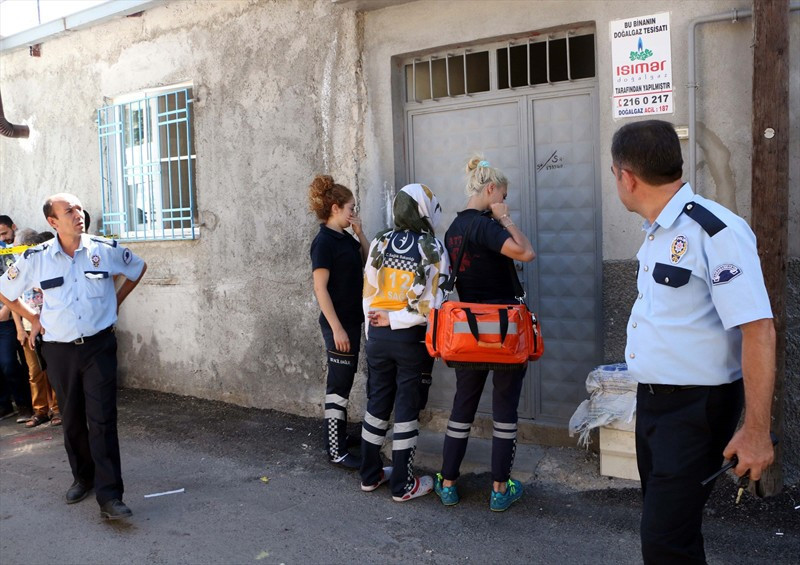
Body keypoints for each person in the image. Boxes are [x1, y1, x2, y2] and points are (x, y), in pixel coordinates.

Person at [610, 120, 775, 564]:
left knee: (664, 542)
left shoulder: (715, 230)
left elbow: (758, 329)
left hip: (695, 411)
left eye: (614, 175)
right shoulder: (657, 231)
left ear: (627, 177)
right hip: (655, 406)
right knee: (673, 533)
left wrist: (757, 431)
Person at [0, 193, 147, 521]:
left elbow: (137, 268)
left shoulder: (103, 249)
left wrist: (116, 302)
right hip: (59, 349)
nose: (78, 214)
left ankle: (111, 496)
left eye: (79, 208)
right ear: (53, 222)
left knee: (103, 419)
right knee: (72, 418)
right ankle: (84, 477)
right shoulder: (37, 257)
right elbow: (5, 290)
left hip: (99, 347)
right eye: (68, 211)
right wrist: (33, 318)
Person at [434, 157, 535, 512]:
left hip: (468, 332)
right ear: (490, 190)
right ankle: (499, 489)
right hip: (503, 331)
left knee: (463, 406)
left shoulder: (453, 230)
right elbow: (527, 252)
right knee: (504, 411)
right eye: (502, 195)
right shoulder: (486, 225)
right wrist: (504, 217)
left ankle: (447, 483)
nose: (503, 202)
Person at [360, 183, 449, 501]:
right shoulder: (434, 248)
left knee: (377, 406)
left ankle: (370, 475)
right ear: (424, 210)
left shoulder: (380, 241)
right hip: (412, 339)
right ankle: (402, 484)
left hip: (378, 336)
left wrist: (375, 331)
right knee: (407, 409)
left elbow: (368, 291)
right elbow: (435, 302)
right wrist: (400, 322)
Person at [309, 175, 369, 469]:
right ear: (335, 208)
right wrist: (336, 328)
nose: (353, 213)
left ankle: (340, 437)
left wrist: (360, 233)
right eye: (350, 209)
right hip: (338, 323)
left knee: (345, 380)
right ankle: (336, 450)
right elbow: (320, 289)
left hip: (352, 320)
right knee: (338, 383)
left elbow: (368, 263)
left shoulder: (345, 237)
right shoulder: (323, 242)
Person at [11, 229, 61, 427]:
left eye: (16, 246)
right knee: (34, 372)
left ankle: (57, 410)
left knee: (54, 370)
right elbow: (11, 297)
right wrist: (20, 328)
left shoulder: (46, 265)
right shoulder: (16, 269)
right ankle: (40, 411)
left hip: (50, 325)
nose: (13, 250)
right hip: (27, 326)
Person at [0, 215, 34, 422]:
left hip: (7, 318)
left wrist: (6, 309)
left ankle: (24, 405)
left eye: (4, 233)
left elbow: (12, 283)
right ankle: (5, 406)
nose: (2, 238)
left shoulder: (10, 252)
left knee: (8, 363)